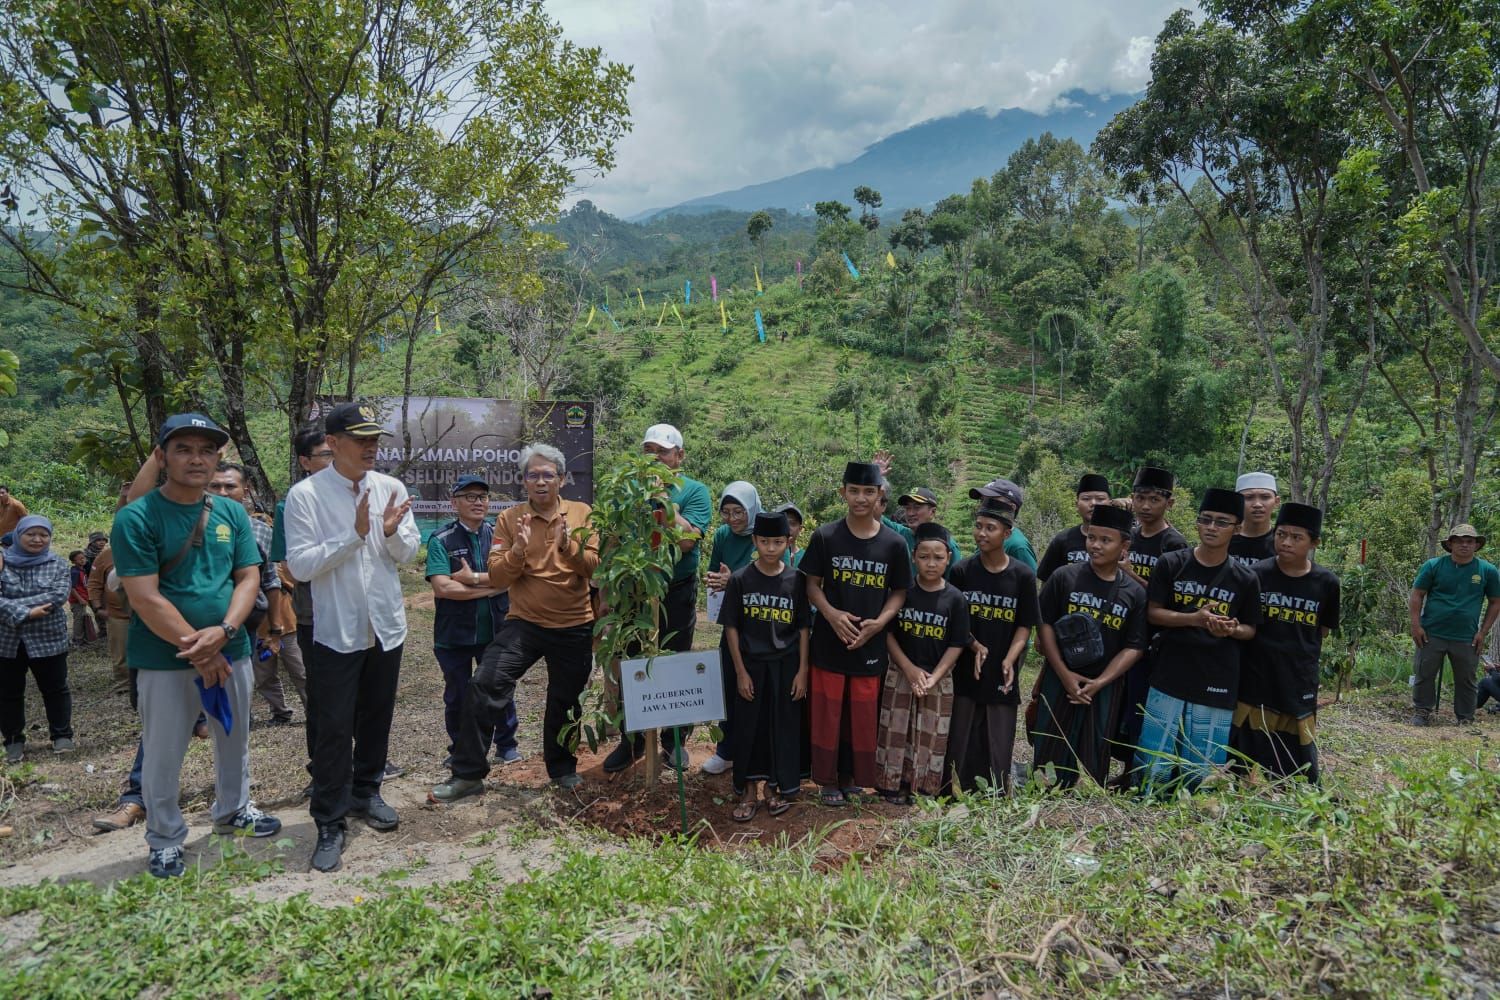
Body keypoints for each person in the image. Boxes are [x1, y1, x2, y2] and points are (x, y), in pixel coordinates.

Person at [111, 413, 280, 878]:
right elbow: (144, 596)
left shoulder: (230, 512)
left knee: (234, 738)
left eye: (206, 450)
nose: (196, 459)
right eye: (183, 449)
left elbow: (248, 577)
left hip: (233, 649)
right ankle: (165, 837)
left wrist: (225, 633)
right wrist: (201, 649)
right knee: (164, 750)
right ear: (162, 456)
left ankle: (234, 809)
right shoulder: (136, 517)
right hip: (166, 658)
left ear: (218, 457)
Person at [284, 401, 420, 873]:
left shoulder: (390, 487)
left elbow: (408, 552)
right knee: (334, 727)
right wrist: (355, 535)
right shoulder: (306, 496)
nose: (370, 448)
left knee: (377, 716)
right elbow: (299, 566)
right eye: (360, 440)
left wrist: (386, 532)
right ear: (333, 443)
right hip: (335, 631)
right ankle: (329, 819)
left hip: (385, 624)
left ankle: (367, 791)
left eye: (374, 440)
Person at [432, 443, 599, 802]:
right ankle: (468, 774)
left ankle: (563, 769)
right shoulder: (510, 520)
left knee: (565, 701)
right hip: (526, 623)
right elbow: (498, 576)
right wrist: (519, 551)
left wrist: (568, 545)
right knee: (485, 683)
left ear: (562, 479)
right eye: (533, 475)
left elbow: (594, 568)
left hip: (574, 624)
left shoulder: (582, 513)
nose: (541, 481)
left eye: (548, 475)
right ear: (523, 481)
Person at [798, 461, 912, 807]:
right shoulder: (826, 537)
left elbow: (899, 591)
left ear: (880, 495)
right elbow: (811, 584)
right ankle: (828, 779)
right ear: (843, 493)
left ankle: (852, 778)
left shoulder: (894, 543)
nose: (860, 498)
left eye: (868, 491)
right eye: (854, 491)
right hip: (830, 641)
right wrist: (831, 615)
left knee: (861, 714)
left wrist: (881, 622)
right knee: (828, 712)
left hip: (870, 643)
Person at [1134, 488, 1261, 794]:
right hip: (1171, 666)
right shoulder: (1171, 563)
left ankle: (1199, 804)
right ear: (1197, 523)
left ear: (1237, 528)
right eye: (1206, 520)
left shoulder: (1246, 578)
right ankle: (1148, 797)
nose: (1212, 528)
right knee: (1155, 750)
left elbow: (1251, 630)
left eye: (1221, 522)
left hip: (1218, 672)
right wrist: (1194, 619)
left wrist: (1230, 629)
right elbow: (1154, 613)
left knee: (1204, 757)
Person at [602, 424, 711, 773]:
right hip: (633, 589)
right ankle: (631, 741)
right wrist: (606, 593)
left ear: (679, 455)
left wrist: (662, 497)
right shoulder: (626, 492)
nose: (656, 457)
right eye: (649, 450)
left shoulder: (695, 491)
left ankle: (674, 742)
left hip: (675, 590)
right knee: (632, 662)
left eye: (663, 451)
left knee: (675, 660)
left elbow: (686, 541)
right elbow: (612, 542)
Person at [1030, 504, 1147, 788]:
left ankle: (1087, 801)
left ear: (1124, 545)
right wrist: (1065, 675)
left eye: (1105, 540)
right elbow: (1044, 624)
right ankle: (1047, 791)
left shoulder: (1134, 593)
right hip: (1059, 676)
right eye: (1091, 537)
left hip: (1104, 684)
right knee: (1050, 743)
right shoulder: (1064, 577)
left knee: (1095, 746)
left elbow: (1135, 645)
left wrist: (1101, 682)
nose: (1095, 545)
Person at [1231, 502, 1340, 782]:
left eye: (1296, 537)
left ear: (1313, 543)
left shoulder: (1327, 582)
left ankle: (1294, 783)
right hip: (1257, 668)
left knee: (1295, 731)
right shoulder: (1256, 574)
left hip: (1299, 670)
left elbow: (1323, 629)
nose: (1286, 542)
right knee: (1251, 728)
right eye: (1281, 534)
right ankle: (1243, 780)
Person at [426, 475, 519, 768]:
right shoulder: (441, 539)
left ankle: (507, 746)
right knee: (457, 695)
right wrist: (494, 586)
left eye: (482, 496)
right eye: (469, 496)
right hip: (453, 634)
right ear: (454, 503)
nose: (478, 502)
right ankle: (460, 750)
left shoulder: (499, 537)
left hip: (496, 629)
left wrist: (474, 581)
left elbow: (515, 578)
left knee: (499, 688)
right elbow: (443, 588)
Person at [722, 510, 810, 821]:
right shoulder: (740, 579)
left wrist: (803, 671)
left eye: (777, 542)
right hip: (751, 666)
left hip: (785, 666)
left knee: (780, 726)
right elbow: (731, 627)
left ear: (788, 541)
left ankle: (774, 787)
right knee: (748, 727)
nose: (770, 548)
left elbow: (802, 628)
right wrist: (741, 671)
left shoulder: (796, 579)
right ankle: (748, 789)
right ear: (755, 541)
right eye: (764, 541)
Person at [948, 499, 1039, 793]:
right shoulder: (962, 571)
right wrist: (974, 646)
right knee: (963, 729)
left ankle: (997, 791)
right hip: (967, 664)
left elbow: (1025, 624)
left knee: (999, 734)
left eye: (990, 528)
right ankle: (956, 788)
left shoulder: (1022, 575)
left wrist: (1010, 660)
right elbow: (955, 621)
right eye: (978, 526)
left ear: (1007, 533)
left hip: (1002, 664)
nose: (982, 534)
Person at [876, 522, 969, 803]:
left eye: (938, 558)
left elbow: (957, 644)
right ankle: (893, 785)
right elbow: (889, 634)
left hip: (937, 679)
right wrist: (909, 668)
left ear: (948, 558)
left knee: (930, 734)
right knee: (897, 730)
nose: (931, 564)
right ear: (913, 557)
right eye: (924, 557)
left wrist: (934, 676)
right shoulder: (902, 594)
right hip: (901, 673)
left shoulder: (955, 599)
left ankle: (923, 788)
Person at [1111, 466, 1189, 784]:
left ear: (1168, 503)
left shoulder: (1174, 545)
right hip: (1124, 633)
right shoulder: (1129, 536)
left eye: (1154, 499)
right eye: (1140, 498)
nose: (1145, 506)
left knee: (1146, 708)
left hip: (1156, 642)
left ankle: (1147, 774)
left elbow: (1171, 602)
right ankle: (1127, 769)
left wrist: (1130, 573)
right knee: (1124, 707)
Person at [208, 462, 300, 725]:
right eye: (215, 486)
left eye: (230, 486)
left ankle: (238, 722)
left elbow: (272, 578)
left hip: (251, 620)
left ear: (244, 491)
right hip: (204, 620)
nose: (223, 492)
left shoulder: (260, 530)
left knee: (245, 674)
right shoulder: (191, 526)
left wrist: (275, 626)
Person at [1408, 524, 1500, 726]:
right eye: (1459, 541)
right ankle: (1422, 711)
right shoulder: (1433, 566)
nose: (1464, 545)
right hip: (1432, 631)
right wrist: (1416, 625)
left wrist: (1483, 632)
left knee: (1466, 678)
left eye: (1469, 541)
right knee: (1425, 673)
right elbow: (1417, 594)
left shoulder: (1487, 570)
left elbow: (1495, 601)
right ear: (1450, 544)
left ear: (1476, 545)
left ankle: (1465, 717)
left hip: (1467, 635)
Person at [1, 515, 75, 763]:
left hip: (48, 639)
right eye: (30, 534)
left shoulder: (58, 564)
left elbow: (57, 596)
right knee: (8, 693)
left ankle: (62, 735)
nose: (37, 539)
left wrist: (11, 606)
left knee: (55, 689)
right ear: (18, 535)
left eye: (43, 535)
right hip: (7, 642)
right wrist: (28, 612)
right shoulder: (3, 562)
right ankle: (13, 741)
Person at [1036, 474, 1112, 582]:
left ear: (1110, 503)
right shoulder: (1062, 540)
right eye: (1086, 499)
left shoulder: (1120, 541)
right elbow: (1047, 583)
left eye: (1100, 499)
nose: (1093, 503)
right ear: (1076, 504)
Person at [87, 543, 132, 695]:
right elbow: (94, 583)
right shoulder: (105, 556)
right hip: (118, 614)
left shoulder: (152, 548)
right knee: (120, 652)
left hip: (149, 613)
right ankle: (123, 683)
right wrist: (98, 607)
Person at [967, 479, 1038, 571]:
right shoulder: (985, 536)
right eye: (982, 500)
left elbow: (1029, 582)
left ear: (1011, 508)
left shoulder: (1018, 547)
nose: (985, 506)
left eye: (992, 501)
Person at [1229, 472, 1280, 566]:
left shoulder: (1282, 544)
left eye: (1265, 497)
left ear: (1276, 502)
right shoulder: (1224, 539)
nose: (1257, 504)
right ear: (1237, 502)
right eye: (1249, 497)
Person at [67, 549, 98, 646]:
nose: (82, 560)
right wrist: (80, 599)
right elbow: (72, 588)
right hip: (77, 600)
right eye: (79, 559)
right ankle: (78, 640)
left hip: (83, 597)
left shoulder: (82, 570)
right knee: (79, 619)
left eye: (83, 558)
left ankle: (82, 637)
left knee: (82, 617)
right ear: (73, 562)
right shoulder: (75, 572)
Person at [778, 503, 806, 567]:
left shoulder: (806, 558)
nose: (787, 527)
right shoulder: (767, 555)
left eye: (792, 523)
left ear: (800, 529)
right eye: (783, 522)